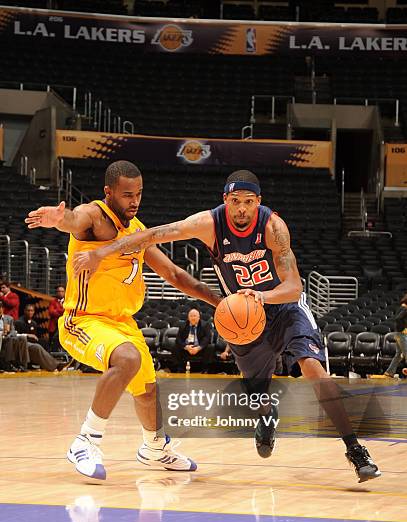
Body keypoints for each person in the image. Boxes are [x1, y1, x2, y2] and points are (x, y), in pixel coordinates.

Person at [73, 169, 381, 483]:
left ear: (259, 202)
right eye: (235, 201)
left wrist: (262, 296)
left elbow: (293, 286)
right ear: (226, 200)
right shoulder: (210, 223)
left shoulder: (273, 227)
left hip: (283, 307)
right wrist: (102, 251)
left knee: (313, 368)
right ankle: (266, 418)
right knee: (256, 390)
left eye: (249, 202)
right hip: (243, 317)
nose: (242, 209)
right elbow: (153, 235)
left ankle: (355, 449)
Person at [25, 160, 221, 480]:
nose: (135, 200)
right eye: (128, 194)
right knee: (127, 359)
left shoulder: (138, 232)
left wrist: (219, 301)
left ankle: (154, 447)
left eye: (139, 194)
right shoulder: (97, 217)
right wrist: (62, 219)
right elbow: (77, 219)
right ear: (109, 192)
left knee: (147, 389)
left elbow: (173, 274)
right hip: (83, 320)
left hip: (122, 323)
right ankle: (85, 440)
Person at [15, 303, 65, 372]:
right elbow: (15, 335)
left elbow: (35, 336)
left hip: (30, 343)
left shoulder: (34, 323)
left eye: (32, 311)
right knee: (37, 347)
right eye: (28, 310)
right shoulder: (18, 322)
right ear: (24, 311)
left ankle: (47, 364)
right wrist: (27, 335)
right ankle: (55, 365)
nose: (30, 312)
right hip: (21, 345)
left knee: (44, 342)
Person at [173, 308, 215, 372]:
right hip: (187, 349)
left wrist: (198, 348)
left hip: (199, 348)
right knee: (175, 347)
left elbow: (207, 338)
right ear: (188, 317)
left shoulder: (205, 325)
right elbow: (178, 339)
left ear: (199, 317)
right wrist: (186, 347)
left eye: (195, 316)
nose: (193, 318)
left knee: (210, 347)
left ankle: (205, 369)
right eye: (191, 316)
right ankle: (180, 368)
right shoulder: (183, 325)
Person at [384, 293, 407, 378]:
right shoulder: (405, 309)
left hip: (398, 334)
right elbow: (397, 319)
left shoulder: (401, 307)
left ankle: (389, 372)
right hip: (401, 334)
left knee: (398, 355)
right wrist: (403, 329)